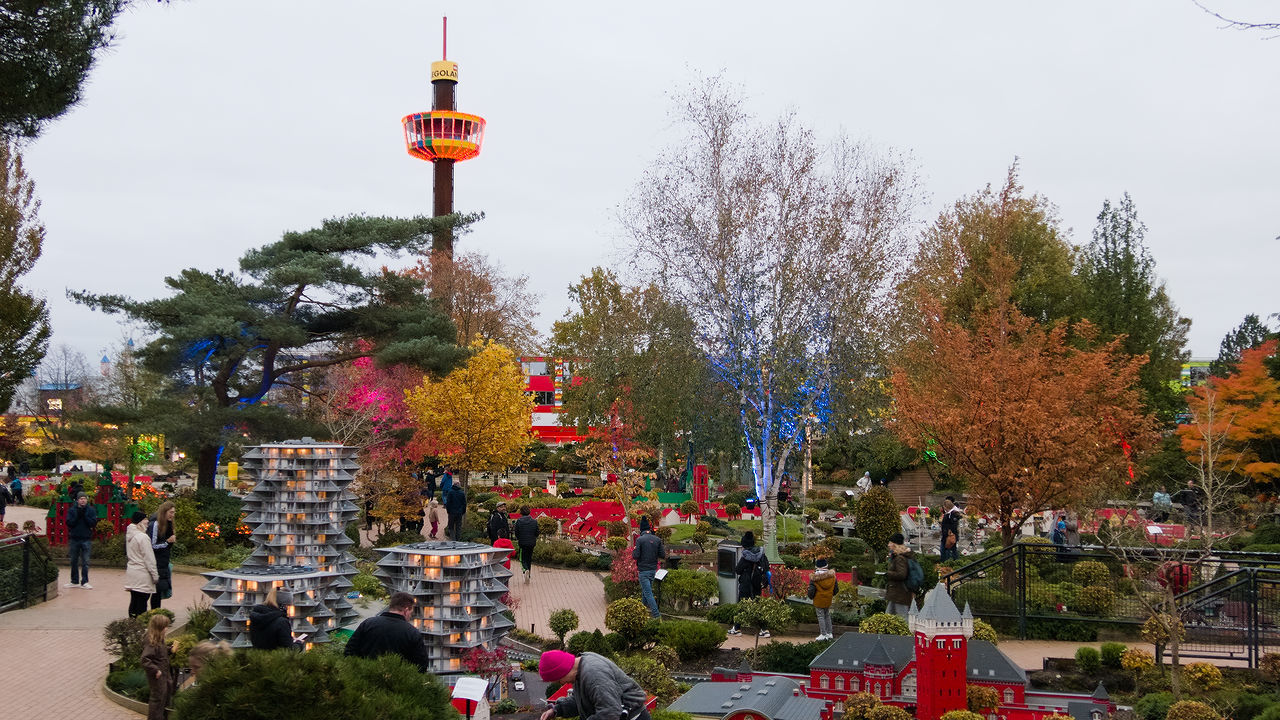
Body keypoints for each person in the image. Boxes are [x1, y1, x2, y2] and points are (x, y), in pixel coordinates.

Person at [537, 649, 649, 720]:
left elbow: (610, 712)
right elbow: (581, 700)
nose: (561, 684)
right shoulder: (580, 668)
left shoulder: (594, 676)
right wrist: (557, 709)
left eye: (558, 680)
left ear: (562, 671)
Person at [344, 591, 430, 672]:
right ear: (406, 610)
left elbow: (349, 651)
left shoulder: (368, 623)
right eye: (411, 613)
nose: (410, 616)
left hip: (365, 679)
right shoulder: (412, 633)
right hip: (396, 683)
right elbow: (421, 665)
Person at [728, 531, 769, 636]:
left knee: (742, 605)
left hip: (746, 584)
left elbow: (738, 570)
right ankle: (764, 629)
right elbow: (766, 567)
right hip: (757, 584)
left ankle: (736, 628)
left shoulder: (746, 556)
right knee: (757, 605)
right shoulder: (761, 554)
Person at [140, 613, 175, 720]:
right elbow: (145, 659)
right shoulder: (152, 642)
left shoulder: (159, 638)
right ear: (159, 628)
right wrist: (155, 670)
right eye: (165, 627)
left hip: (164, 674)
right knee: (157, 699)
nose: (167, 629)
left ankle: (160, 717)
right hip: (158, 675)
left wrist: (169, 650)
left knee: (164, 696)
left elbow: (159, 653)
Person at [125, 510, 159, 617]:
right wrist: (155, 575)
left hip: (132, 572)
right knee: (142, 602)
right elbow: (149, 559)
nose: (147, 521)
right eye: (145, 519)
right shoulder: (143, 537)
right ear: (139, 522)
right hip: (143, 574)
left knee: (134, 600)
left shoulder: (129, 535)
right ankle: (140, 626)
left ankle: (132, 625)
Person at [632, 516, 665, 619]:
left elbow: (635, 556)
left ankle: (656, 616)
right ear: (649, 529)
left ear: (641, 529)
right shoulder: (657, 539)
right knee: (645, 592)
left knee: (648, 593)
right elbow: (662, 554)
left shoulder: (640, 540)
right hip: (653, 570)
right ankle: (641, 612)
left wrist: (634, 550)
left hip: (643, 570)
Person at [66, 492, 99, 589]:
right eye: (81, 499)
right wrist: (77, 517)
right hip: (74, 538)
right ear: (77, 500)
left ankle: (85, 581)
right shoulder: (72, 510)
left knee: (86, 561)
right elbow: (69, 523)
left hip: (86, 538)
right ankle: (74, 580)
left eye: (84, 498)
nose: (83, 500)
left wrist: (85, 516)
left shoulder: (91, 510)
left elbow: (93, 523)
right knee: (73, 561)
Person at [148, 501, 177, 609]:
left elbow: (167, 545)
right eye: (171, 512)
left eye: (173, 513)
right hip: (156, 562)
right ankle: (152, 614)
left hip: (163, 561)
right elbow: (153, 545)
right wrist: (167, 542)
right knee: (154, 591)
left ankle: (156, 613)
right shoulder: (155, 524)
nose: (172, 515)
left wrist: (170, 541)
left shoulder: (168, 524)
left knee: (159, 591)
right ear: (164, 512)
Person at [884, 533, 915, 618]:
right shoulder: (900, 556)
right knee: (889, 617)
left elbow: (902, 574)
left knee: (901, 618)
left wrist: (888, 573)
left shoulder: (900, 558)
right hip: (897, 594)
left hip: (900, 594)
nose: (888, 545)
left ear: (895, 544)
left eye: (890, 543)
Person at [807, 557, 837, 641]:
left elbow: (811, 591)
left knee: (821, 616)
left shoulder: (814, 578)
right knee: (827, 615)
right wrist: (830, 594)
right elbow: (836, 590)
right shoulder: (833, 577)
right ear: (826, 566)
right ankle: (829, 633)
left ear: (817, 567)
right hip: (828, 599)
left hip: (818, 599)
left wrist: (811, 597)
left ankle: (823, 634)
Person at [513, 506, 539, 583]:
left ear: (521, 512)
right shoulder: (534, 521)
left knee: (522, 559)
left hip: (522, 543)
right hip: (531, 543)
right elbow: (537, 532)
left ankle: (525, 570)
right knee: (529, 559)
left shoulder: (519, 521)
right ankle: (529, 574)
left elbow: (516, 532)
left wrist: (519, 538)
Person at [939, 496, 963, 561]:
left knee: (946, 551)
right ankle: (954, 562)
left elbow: (953, 525)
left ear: (946, 507)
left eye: (944, 506)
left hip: (948, 536)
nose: (943, 508)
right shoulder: (950, 513)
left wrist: (947, 531)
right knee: (952, 550)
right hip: (949, 535)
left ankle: (946, 564)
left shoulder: (952, 514)